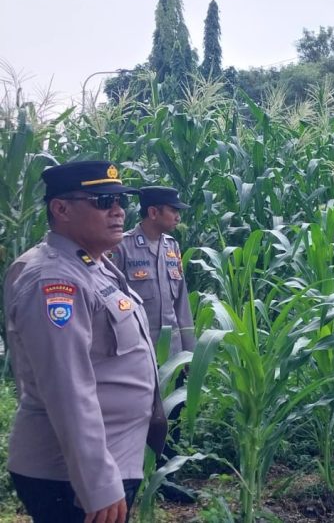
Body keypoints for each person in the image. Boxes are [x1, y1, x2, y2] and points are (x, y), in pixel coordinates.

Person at [4, 160, 166, 523]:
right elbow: (67, 390)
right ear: (61, 209)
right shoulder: (54, 281)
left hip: (105, 460)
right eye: (103, 201)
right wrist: (98, 483)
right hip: (71, 476)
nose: (118, 211)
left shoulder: (92, 265)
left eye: (121, 201)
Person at [110, 186, 196, 504]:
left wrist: (190, 353)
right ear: (153, 212)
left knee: (172, 412)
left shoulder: (172, 247)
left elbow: (181, 303)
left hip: (172, 352)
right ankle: (136, 475)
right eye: (172, 210)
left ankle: (165, 477)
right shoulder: (122, 247)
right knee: (139, 415)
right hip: (137, 352)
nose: (177, 216)